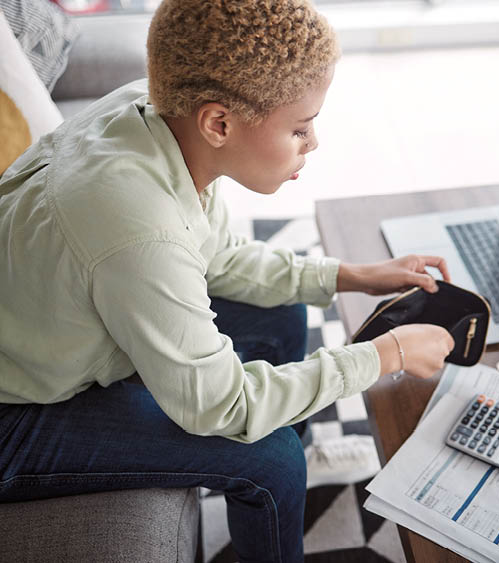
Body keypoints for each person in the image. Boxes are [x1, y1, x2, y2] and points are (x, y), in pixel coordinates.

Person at [0, 0, 455, 560]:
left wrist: (352, 276)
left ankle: (303, 459)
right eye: (300, 127)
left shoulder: (147, 113)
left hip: (46, 323)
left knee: (282, 313)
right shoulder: (138, 232)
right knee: (268, 456)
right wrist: (385, 355)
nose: (313, 144)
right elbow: (221, 407)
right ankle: (288, 477)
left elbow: (217, 257)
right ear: (219, 123)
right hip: (13, 412)